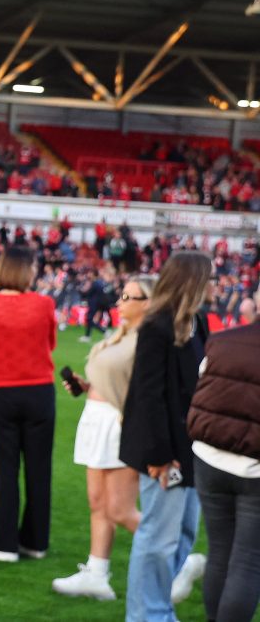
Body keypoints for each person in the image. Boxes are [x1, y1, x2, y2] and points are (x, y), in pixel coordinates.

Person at [119, 251, 212, 622]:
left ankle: (156, 607)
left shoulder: (195, 322)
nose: (214, 283)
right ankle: (147, 614)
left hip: (191, 448)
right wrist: (159, 455)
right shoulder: (157, 326)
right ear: (192, 280)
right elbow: (149, 395)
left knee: (184, 532)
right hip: (164, 450)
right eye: (208, 277)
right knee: (157, 537)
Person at [52, 275, 154, 600]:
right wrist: (86, 387)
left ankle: (178, 563)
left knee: (121, 510)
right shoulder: (119, 335)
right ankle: (97, 574)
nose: (120, 302)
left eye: (129, 297)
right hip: (95, 419)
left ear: (149, 303)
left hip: (120, 424)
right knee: (98, 504)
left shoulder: (151, 339)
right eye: (122, 296)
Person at [0, 245, 57, 563]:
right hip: (40, 392)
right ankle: (35, 541)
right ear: (27, 269)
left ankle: (3, 542)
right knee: (39, 469)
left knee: (7, 470)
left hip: (1, 392)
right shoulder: (44, 304)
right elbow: (50, 343)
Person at [187, 304, 260, 622]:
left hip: (211, 457)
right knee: (246, 560)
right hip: (245, 467)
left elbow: (203, 386)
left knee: (221, 552)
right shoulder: (223, 339)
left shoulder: (223, 340)